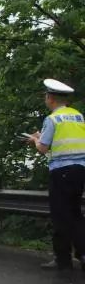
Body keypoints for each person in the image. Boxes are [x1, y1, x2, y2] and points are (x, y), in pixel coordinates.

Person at [27, 79, 85, 270]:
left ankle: (63, 259)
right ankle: (83, 254)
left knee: (60, 215)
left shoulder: (52, 119)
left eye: (46, 96)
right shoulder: (78, 116)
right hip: (80, 171)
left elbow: (43, 148)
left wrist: (35, 139)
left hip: (61, 172)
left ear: (50, 98)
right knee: (76, 213)